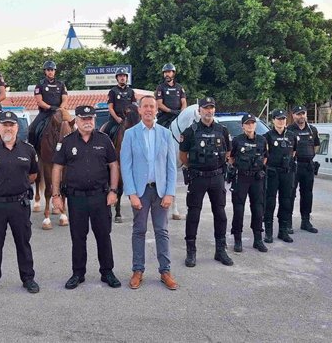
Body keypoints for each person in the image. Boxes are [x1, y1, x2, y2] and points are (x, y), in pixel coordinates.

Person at [51, 105, 121, 289]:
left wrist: (113, 191)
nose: (88, 122)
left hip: (100, 197)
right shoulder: (67, 142)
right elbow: (57, 168)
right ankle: (78, 273)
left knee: (103, 236)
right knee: (78, 237)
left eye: (91, 118)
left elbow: (114, 165)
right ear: (77, 120)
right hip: (76, 198)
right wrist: (56, 195)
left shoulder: (104, 140)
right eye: (84, 119)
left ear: (94, 120)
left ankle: (107, 272)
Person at [0, 111, 41, 297]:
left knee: (23, 243)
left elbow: (33, 175)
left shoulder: (28, 150)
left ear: (17, 128)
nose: (8, 128)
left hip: (19, 204)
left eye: (11, 125)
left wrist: (16, 186)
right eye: (4, 124)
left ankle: (28, 278)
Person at [120, 95, 179, 290]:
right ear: (139, 110)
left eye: (151, 107)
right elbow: (126, 166)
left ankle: (165, 271)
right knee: (139, 231)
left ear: (156, 110)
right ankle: (138, 270)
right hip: (141, 191)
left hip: (161, 190)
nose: (148, 110)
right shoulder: (130, 134)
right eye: (145, 106)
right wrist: (132, 193)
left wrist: (170, 192)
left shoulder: (165, 134)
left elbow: (172, 166)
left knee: (162, 231)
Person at [179, 97, 233, 267]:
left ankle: (220, 250)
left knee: (221, 214)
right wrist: (194, 167)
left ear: (214, 110)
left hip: (217, 177)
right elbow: (183, 156)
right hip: (198, 178)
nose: (208, 111)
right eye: (205, 108)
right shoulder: (190, 132)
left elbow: (228, 153)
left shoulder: (222, 130)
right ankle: (191, 251)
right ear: (199, 111)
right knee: (193, 215)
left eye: (211, 108)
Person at [229, 114, 268, 253]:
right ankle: (237, 240)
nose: (250, 125)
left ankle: (258, 239)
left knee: (258, 209)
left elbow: (265, 157)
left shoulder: (262, 140)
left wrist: (257, 168)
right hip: (242, 178)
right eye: (247, 123)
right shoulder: (237, 140)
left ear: (255, 125)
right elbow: (230, 157)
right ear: (243, 126)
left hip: (257, 179)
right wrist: (239, 168)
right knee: (238, 210)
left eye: (252, 123)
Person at [263, 109, 297, 244]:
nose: (281, 121)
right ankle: (268, 232)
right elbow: (264, 155)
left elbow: (294, 152)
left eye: (283, 119)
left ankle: (283, 231)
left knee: (286, 202)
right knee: (270, 202)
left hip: (287, 173)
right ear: (273, 120)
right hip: (272, 173)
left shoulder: (292, 136)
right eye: (278, 119)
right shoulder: (267, 136)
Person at [287, 105, 320, 234]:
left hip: (308, 166)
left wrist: (310, 156)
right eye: (298, 114)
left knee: (307, 194)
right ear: (293, 116)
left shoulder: (312, 129)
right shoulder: (289, 130)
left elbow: (316, 146)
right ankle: (287, 222)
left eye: (303, 113)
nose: (301, 116)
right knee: (290, 195)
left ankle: (305, 221)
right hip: (294, 165)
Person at [27, 60, 68, 149]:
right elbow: (39, 101)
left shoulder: (61, 84)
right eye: (48, 70)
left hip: (59, 112)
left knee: (72, 127)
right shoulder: (40, 85)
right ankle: (33, 152)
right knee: (32, 130)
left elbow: (65, 99)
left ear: (55, 71)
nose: (50, 72)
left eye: (52, 70)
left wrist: (60, 109)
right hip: (45, 113)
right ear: (45, 71)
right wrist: (50, 108)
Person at [102, 67, 135, 141]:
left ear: (126, 78)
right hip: (115, 119)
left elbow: (134, 107)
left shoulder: (131, 91)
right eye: (120, 76)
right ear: (117, 78)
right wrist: (117, 118)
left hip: (128, 119)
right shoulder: (113, 91)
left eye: (124, 76)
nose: (122, 78)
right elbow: (110, 108)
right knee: (106, 132)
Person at [155, 63, 187, 128]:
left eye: (169, 72)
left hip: (178, 115)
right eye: (165, 72)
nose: (167, 74)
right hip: (165, 115)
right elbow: (159, 103)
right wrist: (171, 111)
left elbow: (184, 102)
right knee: (157, 129)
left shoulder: (179, 87)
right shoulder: (160, 87)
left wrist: (182, 112)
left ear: (173, 73)